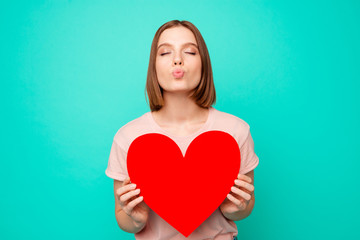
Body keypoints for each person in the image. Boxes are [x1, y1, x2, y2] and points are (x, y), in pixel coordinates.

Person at [105, 20, 259, 240]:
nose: (177, 59)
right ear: (153, 66)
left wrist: (235, 209)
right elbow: (124, 218)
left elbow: (246, 206)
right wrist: (135, 219)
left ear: (204, 63)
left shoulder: (235, 131)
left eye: (189, 51)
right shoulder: (128, 138)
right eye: (165, 52)